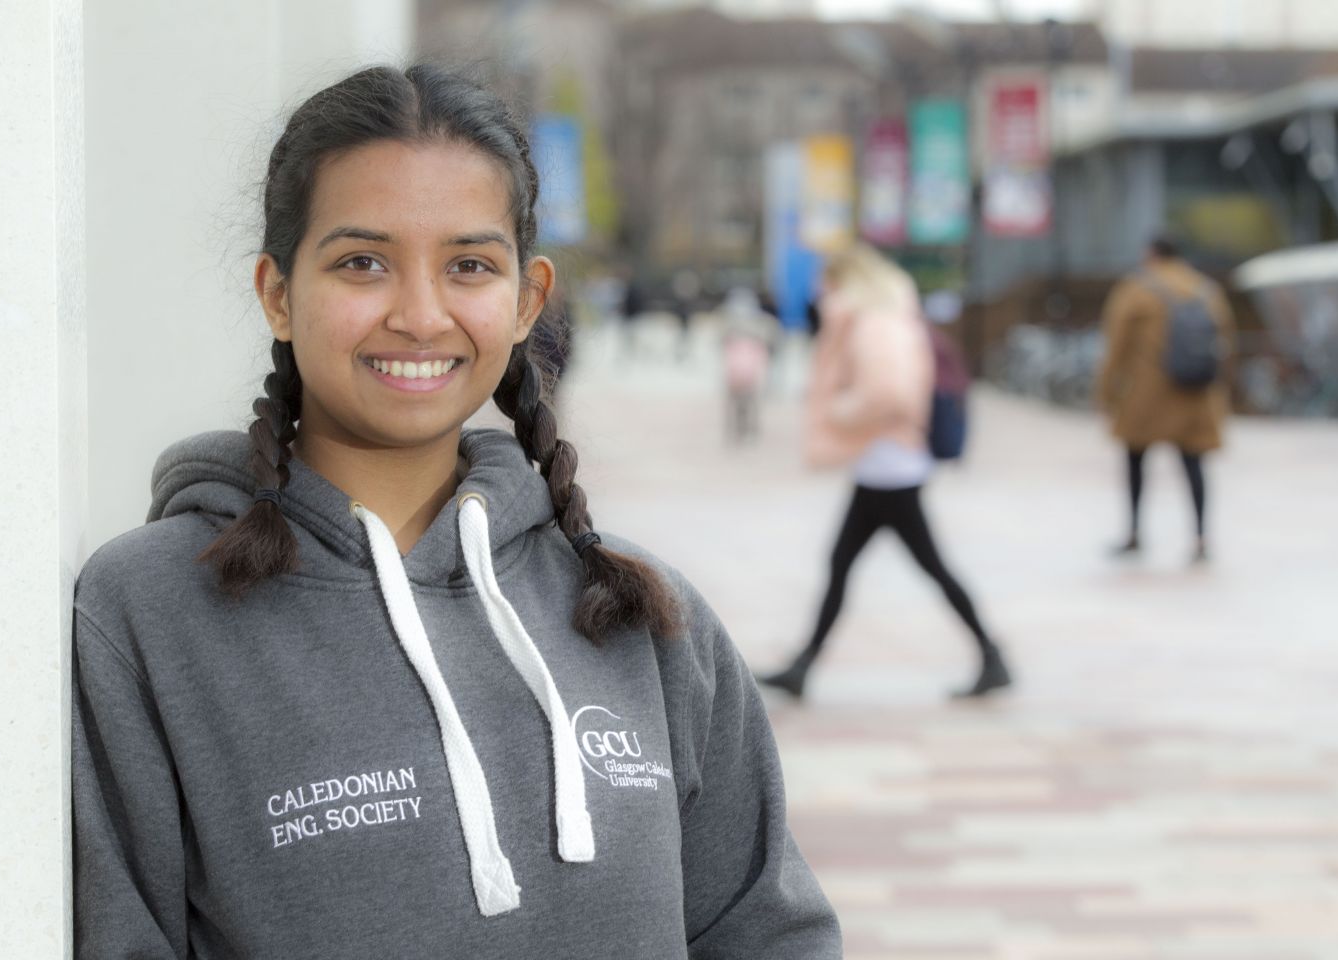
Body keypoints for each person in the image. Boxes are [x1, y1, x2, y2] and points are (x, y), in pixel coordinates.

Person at [71, 64, 840, 960]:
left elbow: (769, 934)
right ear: (278, 293)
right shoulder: (147, 613)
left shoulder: (643, 617)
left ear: (526, 300)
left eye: (469, 265)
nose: (421, 314)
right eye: (363, 262)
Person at [757, 246, 1010, 701]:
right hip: (887, 463)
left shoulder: (874, 323)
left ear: (845, 281)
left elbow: (889, 391)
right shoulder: (885, 315)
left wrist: (838, 412)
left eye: (826, 282)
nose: (821, 291)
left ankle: (993, 656)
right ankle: (803, 666)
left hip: (890, 464)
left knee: (918, 565)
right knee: (848, 564)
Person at [1095, 236, 1235, 563]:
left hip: (1146, 395)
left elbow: (1115, 347)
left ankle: (1133, 533)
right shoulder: (1206, 290)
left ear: (1151, 255)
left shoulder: (1136, 289)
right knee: (1194, 465)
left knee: (1135, 462)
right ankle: (1200, 538)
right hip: (1195, 394)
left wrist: (1106, 394)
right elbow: (1226, 346)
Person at [720, 286, 774, 444]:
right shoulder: (761, 324)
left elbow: (721, 342)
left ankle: (739, 429)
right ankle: (748, 429)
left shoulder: (730, 324)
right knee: (748, 401)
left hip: (737, 370)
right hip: (747, 370)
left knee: (740, 401)